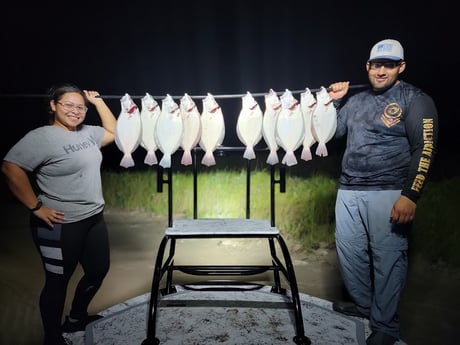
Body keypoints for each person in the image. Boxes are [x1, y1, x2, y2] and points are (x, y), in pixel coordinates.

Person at [327, 39, 438, 345]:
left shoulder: (415, 99)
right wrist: (334, 102)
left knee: (388, 259)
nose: (381, 71)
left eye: (389, 65)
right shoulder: (356, 100)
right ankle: (365, 307)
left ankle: (386, 326)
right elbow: (333, 133)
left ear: (400, 67)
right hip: (349, 190)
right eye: (376, 64)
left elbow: (424, 149)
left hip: (389, 191)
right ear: (368, 66)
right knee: (349, 254)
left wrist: (410, 195)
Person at [1, 83, 117, 345]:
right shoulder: (41, 137)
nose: (76, 111)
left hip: (93, 218)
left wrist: (98, 103)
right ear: (53, 105)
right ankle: (52, 337)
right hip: (60, 224)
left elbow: (113, 131)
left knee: (98, 271)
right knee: (57, 282)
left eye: (80, 107)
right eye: (68, 105)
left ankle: (76, 318)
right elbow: (11, 168)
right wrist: (36, 207)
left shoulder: (87, 133)